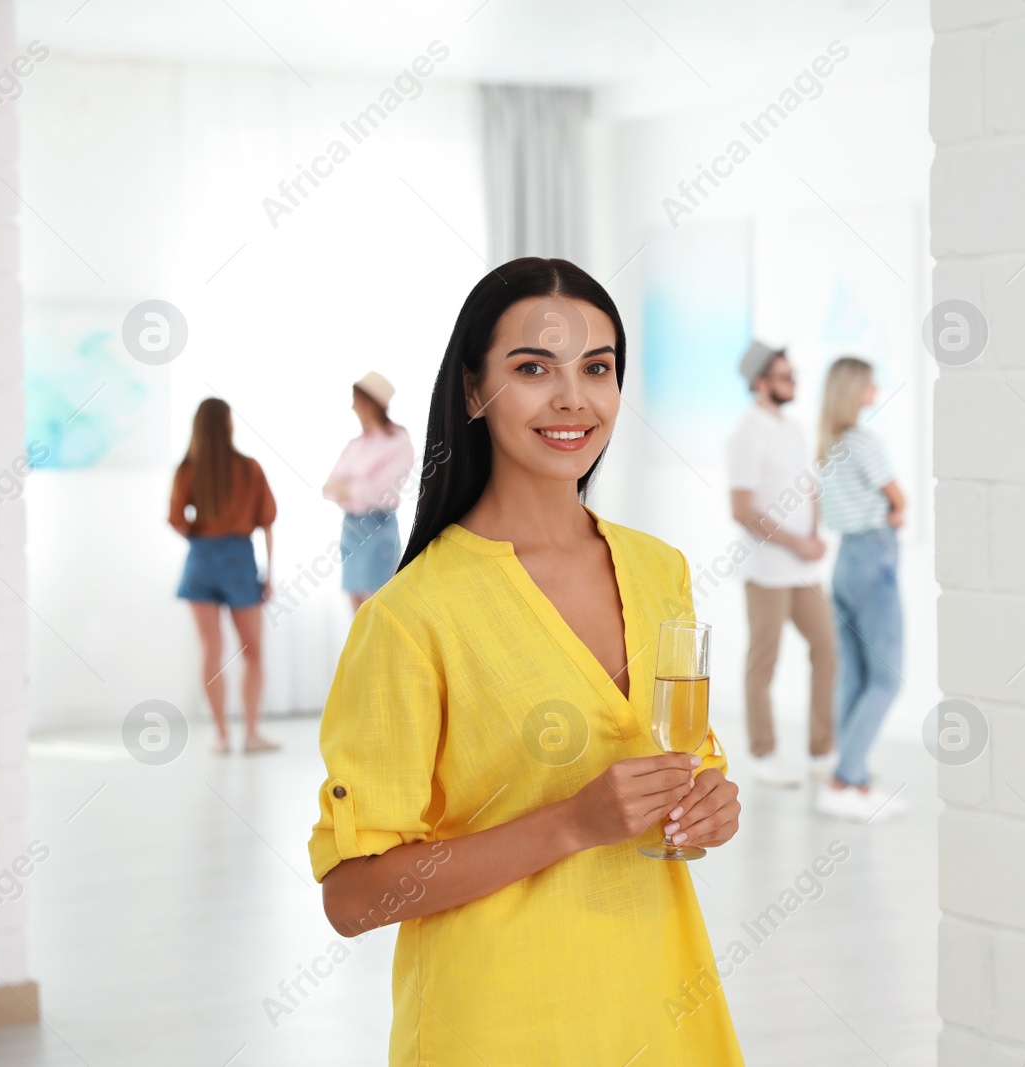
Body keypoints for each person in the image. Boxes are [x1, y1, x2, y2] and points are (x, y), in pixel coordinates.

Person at [308, 258, 745, 1066]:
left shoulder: (661, 570)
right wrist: (572, 823)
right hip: (497, 1030)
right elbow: (354, 894)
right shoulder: (411, 617)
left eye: (598, 368)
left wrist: (712, 805)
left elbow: (685, 760)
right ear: (473, 390)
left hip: (664, 1008)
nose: (573, 397)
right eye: (533, 368)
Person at [725, 341, 838, 789]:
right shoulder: (746, 434)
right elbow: (742, 508)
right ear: (760, 383)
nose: (794, 382)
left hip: (803, 569)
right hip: (767, 572)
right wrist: (795, 542)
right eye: (785, 376)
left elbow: (807, 487)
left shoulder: (793, 430)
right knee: (764, 661)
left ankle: (821, 750)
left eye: (794, 375)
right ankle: (763, 753)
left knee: (828, 648)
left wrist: (816, 534)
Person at [813, 357, 908, 822]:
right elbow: (898, 499)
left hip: (845, 562)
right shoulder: (864, 442)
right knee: (887, 678)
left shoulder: (827, 447)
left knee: (854, 675)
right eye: (870, 381)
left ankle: (854, 779)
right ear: (855, 389)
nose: (877, 387)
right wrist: (896, 517)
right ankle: (844, 778)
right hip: (874, 555)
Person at [168, 397, 280, 755]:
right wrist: (268, 573)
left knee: (210, 650)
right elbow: (267, 524)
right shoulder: (249, 468)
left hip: (200, 558)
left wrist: (199, 534)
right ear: (228, 425)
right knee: (253, 652)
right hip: (239, 559)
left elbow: (175, 518)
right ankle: (250, 732)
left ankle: (220, 735)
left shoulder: (188, 468)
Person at [323, 371, 415, 610]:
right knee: (356, 606)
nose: (353, 406)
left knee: (380, 605)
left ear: (371, 403)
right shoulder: (355, 445)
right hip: (350, 529)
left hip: (378, 528)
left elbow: (380, 492)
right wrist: (357, 486)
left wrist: (349, 486)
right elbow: (329, 488)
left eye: (358, 400)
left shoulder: (398, 440)